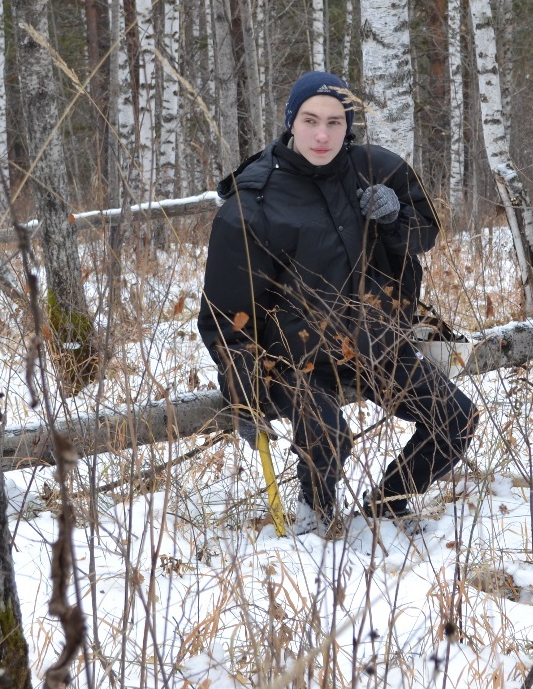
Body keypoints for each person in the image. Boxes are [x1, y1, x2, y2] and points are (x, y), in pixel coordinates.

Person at [198, 71, 478, 537]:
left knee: (456, 419)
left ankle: (387, 503)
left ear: (349, 126)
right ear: (291, 121)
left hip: (376, 342)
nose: (322, 134)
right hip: (296, 358)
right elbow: (226, 318)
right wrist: (244, 400)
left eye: (335, 121)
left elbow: (423, 235)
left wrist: (393, 217)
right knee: (329, 437)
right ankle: (317, 514)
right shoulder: (255, 202)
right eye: (310, 120)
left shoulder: (378, 169)